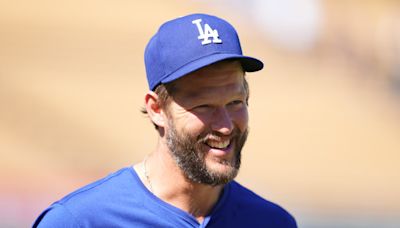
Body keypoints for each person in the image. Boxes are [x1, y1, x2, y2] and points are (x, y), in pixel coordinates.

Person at [33, 13, 297, 227]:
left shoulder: (273, 222)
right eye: (204, 106)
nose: (226, 125)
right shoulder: (79, 221)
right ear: (157, 109)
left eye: (235, 102)